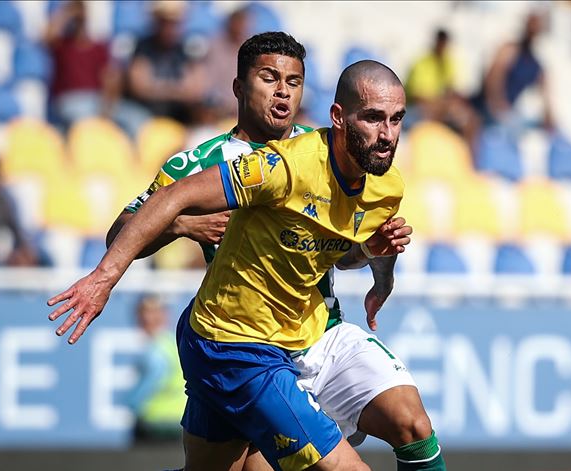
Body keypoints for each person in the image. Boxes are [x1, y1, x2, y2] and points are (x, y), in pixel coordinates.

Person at [48, 57, 411, 470]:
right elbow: (125, 231)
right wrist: (182, 225)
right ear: (239, 88)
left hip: (307, 337)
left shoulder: (331, 150)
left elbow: (342, 249)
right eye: (269, 78)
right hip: (237, 336)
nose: (283, 92)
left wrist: (370, 258)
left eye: (294, 81)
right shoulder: (206, 162)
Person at [124, 1, 206, 129]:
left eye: (174, 23)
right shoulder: (143, 47)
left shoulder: (185, 50)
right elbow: (140, 87)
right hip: (146, 112)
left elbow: (195, 90)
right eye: (165, 22)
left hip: (178, 113)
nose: (169, 28)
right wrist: (177, 90)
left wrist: (158, 87)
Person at [44, 0, 122, 132]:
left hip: (96, 100)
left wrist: (107, 107)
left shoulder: (98, 47)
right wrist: (67, 13)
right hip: (69, 100)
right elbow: (48, 36)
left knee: (134, 119)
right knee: (87, 121)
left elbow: (110, 78)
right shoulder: (62, 46)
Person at [475, 12, 555, 131]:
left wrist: (549, 117)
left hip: (508, 114)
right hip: (488, 110)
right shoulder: (509, 51)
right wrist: (498, 106)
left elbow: (546, 94)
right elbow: (492, 80)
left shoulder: (535, 64)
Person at [406, 28, 479, 147]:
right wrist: (442, 103)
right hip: (416, 107)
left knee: (471, 119)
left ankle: (468, 158)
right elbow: (417, 96)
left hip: (438, 106)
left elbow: (452, 89)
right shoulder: (422, 62)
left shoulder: (448, 62)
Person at [126, 296, 185, 444]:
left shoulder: (155, 349)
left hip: (154, 421)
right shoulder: (174, 343)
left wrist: (131, 402)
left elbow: (153, 376)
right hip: (180, 420)